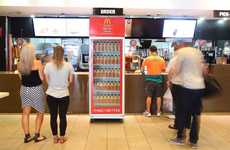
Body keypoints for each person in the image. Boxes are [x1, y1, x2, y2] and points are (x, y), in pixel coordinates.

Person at [168, 42, 205, 148]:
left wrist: (170, 79)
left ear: (181, 44)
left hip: (186, 87)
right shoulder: (198, 52)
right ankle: (194, 141)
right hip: (199, 87)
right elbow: (204, 70)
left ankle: (180, 137)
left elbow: (176, 69)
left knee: (182, 113)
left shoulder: (181, 52)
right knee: (196, 115)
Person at [44, 46, 74, 144]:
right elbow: (70, 80)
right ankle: (62, 137)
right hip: (64, 94)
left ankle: (55, 137)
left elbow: (47, 80)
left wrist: (54, 85)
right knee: (62, 116)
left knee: (53, 116)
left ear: (53, 53)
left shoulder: (48, 65)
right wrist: (64, 85)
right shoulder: (68, 65)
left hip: (51, 94)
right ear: (63, 53)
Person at [17, 44, 46, 143]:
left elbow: (21, 78)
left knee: (25, 113)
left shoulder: (19, 64)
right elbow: (42, 78)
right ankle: (37, 135)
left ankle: (27, 136)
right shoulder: (37, 63)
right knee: (40, 112)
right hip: (36, 89)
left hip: (24, 90)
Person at [142, 45, 166, 117]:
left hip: (149, 80)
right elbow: (163, 70)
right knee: (158, 96)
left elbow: (143, 70)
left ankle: (148, 112)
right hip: (159, 80)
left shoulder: (146, 59)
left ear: (150, 51)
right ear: (156, 51)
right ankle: (158, 112)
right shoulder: (161, 59)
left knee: (149, 96)